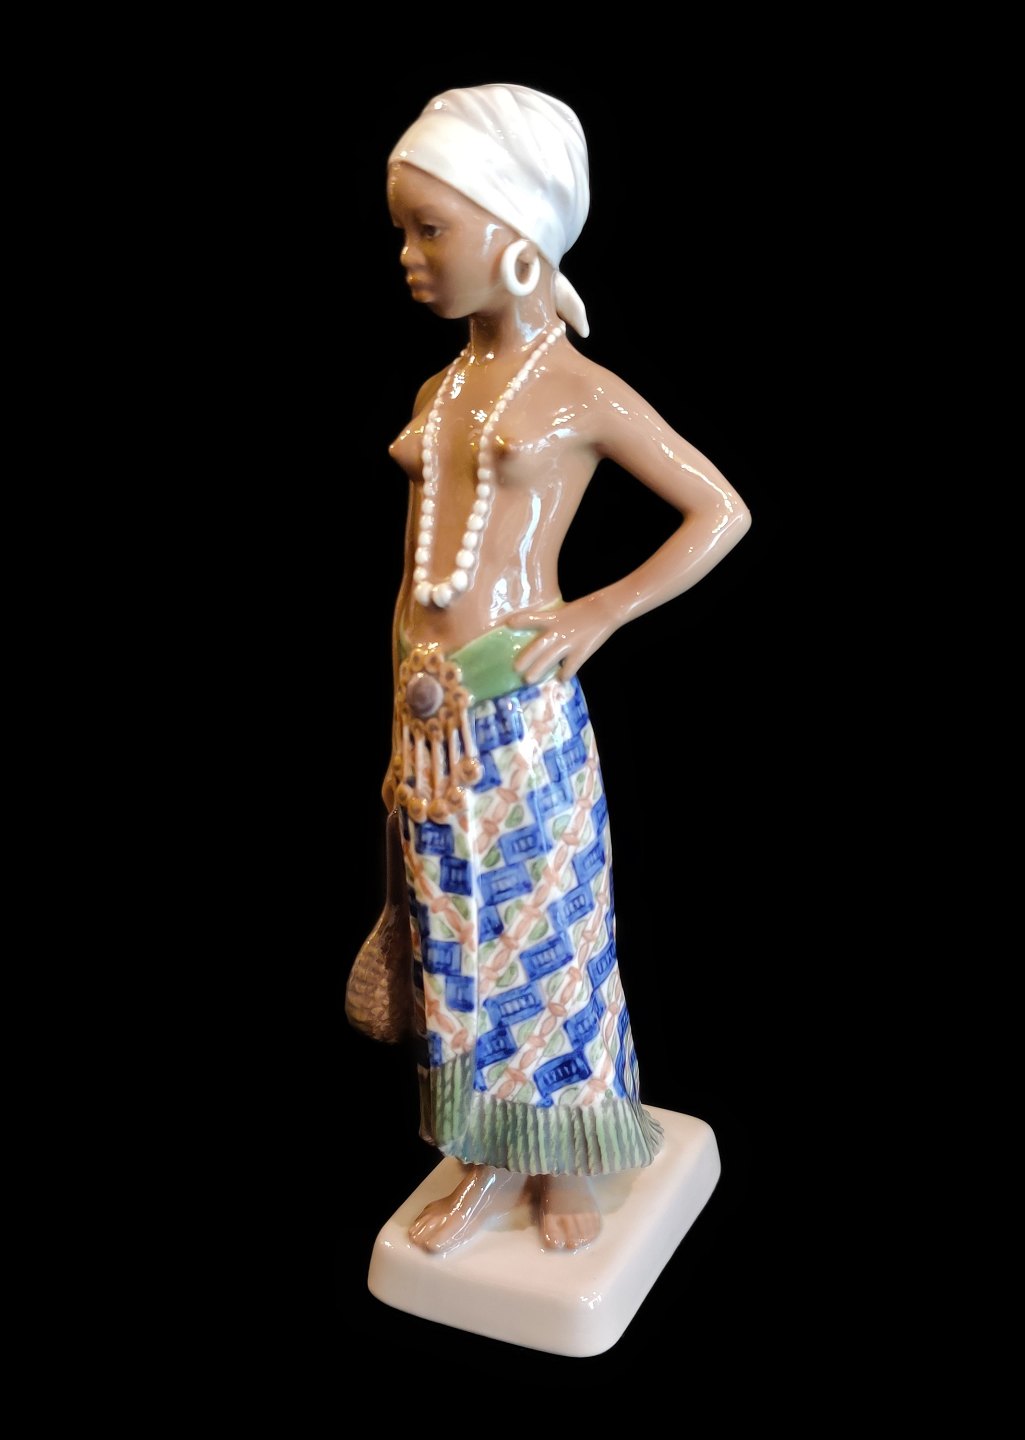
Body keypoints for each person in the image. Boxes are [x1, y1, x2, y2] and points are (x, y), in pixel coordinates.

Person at [353, 83, 750, 1254]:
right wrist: (399, 718)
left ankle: (563, 1153)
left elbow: (719, 511)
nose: (410, 256)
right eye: (405, 231)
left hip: (518, 704)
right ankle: (482, 1155)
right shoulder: (439, 393)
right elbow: (416, 578)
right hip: (431, 710)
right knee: (449, 937)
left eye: (432, 229)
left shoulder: (578, 388)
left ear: (517, 237)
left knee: (547, 936)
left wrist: (600, 613)